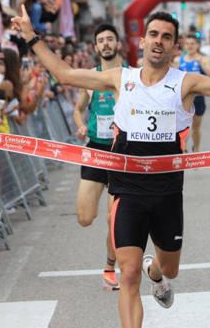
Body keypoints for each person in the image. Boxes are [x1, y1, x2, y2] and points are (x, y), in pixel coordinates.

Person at [12, 6, 210, 328]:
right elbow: (64, 75)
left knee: (170, 269)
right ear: (142, 42)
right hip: (127, 190)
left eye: (167, 37)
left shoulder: (186, 83)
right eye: (153, 35)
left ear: (175, 47)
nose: (159, 41)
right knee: (128, 273)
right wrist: (31, 38)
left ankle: (157, 272)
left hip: (167, 192)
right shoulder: (121, 79)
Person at [72, 23, 123, 291]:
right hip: (95, 151)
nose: (105, 44)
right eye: (101, 40)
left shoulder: (130, 76)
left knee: (113, 218)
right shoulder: (90, 78)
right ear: (95, 47)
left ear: (118, 44)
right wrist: (80, 124)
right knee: (84, 217)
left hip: (121, 154)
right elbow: (78, 109)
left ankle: (109, 268)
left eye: (110, 39)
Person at [173, 34, 210, 152]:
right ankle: (183, 149)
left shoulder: (203, 59)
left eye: (192, 44)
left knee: (196, 128)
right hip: (183, 99)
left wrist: (202, 63)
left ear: (197, 45)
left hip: (198, 98)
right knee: (183, 127)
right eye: (187, 43)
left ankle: (196, 148)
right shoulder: (178, 60)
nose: (190, 46)